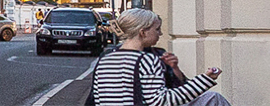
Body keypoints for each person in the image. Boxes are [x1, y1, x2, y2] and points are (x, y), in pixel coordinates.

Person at [87, 9, 228, 106]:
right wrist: (206, 79)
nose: (160, 34)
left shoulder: (105, 60)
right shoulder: (146, 60)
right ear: (143, 32)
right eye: (157, 29)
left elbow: (97, 99)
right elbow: (161, 101)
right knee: (213, 99)